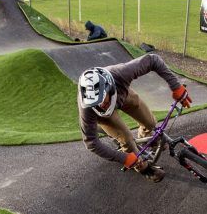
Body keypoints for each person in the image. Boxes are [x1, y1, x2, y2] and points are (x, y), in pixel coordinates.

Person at [78, 54, 192, 182]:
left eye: (103, 102)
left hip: (122, 94)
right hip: (103, 117)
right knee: (127, 139)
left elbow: (153, 60)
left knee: (150, 122)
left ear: (109, 88)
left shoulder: (121, 73)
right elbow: (91, 142)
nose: (101, 106)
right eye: (96, 104)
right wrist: (123, 158)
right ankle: (142, 167)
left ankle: (146, 138)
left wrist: (176, 86)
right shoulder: (87, 108)